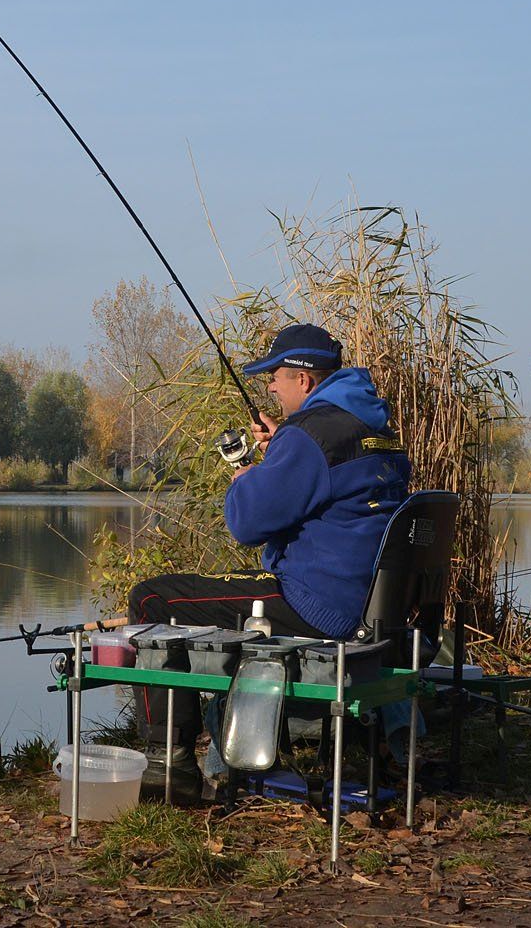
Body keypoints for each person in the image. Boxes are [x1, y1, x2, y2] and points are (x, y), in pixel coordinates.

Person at [126, 323, 411, 782]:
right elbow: (331, 480)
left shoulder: (309, 436)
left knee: (152, 599)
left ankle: (169, 766)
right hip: (368, 607)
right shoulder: (373, 427)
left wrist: (246, 477)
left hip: (318, 608)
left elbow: (247, 523)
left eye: (275, 375)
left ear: (304, 379)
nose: (270, 387)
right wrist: (284, 445)